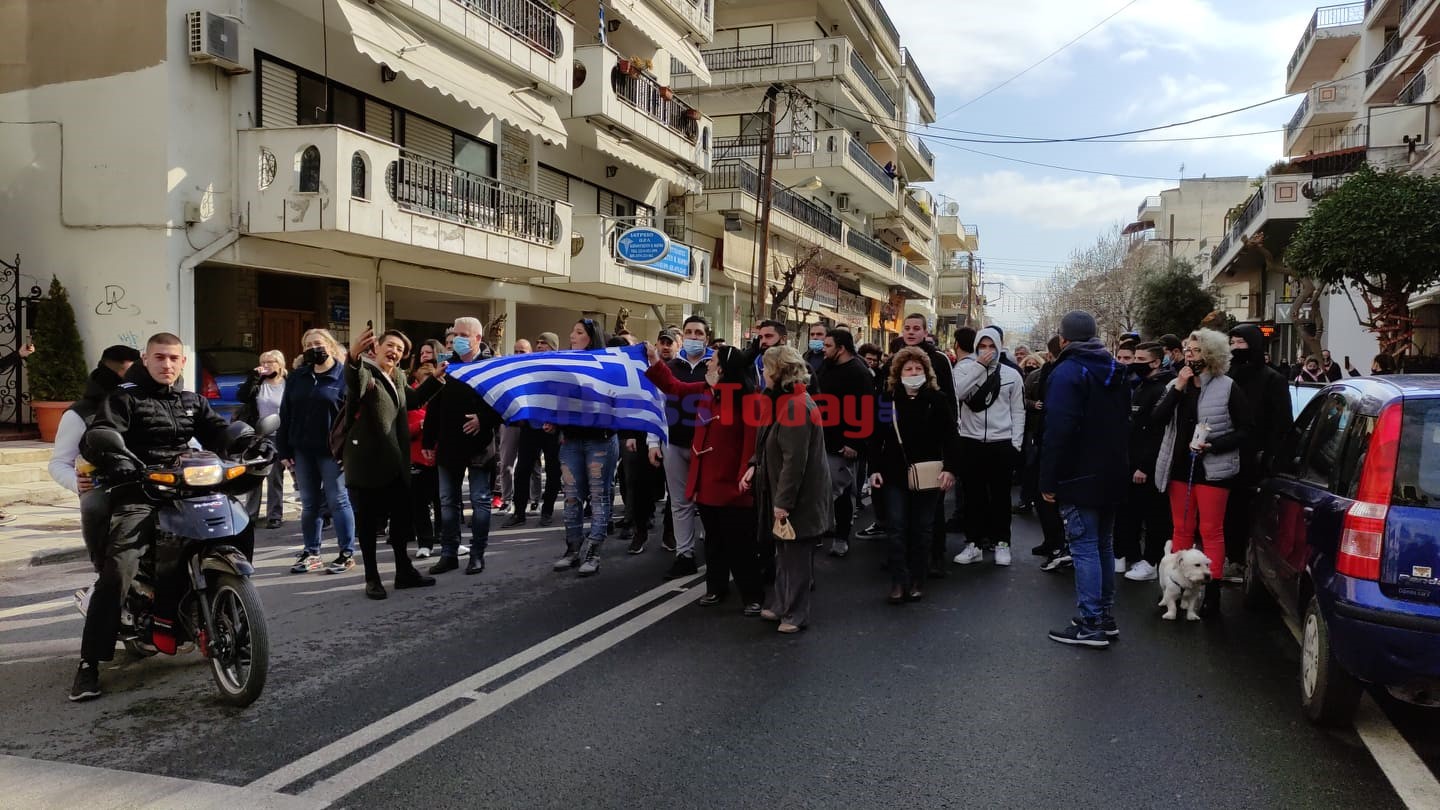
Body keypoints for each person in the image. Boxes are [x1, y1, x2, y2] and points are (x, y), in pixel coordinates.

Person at [71, 333, 246, 701]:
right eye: (160, 357)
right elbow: (99, 434)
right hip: (140, 490)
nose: (167, 364)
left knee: (234, 526)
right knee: (119, 569)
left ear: (183, 362)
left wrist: (247, 442)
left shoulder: (191, 401)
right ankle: (89, 662)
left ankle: (226, 619)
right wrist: (116, 458)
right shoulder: (124, 398)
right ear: (145, 359)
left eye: (173, 358)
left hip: (185, 487)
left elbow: (218, 432)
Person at [646, 344, 765, 613]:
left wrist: (745, 477)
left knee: (741, 544)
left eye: (713, 361)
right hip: (708, 481)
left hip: (734, 484)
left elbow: (751, 444)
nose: (708, 364)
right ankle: (716, 588)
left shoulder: (749, 399)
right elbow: (674, 387)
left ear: (722, 369)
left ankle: (752, 595)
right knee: (714, 542)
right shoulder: (705, 390)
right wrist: (654, 361)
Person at [1040, 311, 1132, 648]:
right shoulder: (1116, 369)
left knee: (1084, 547)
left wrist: (1048, 479)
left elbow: (1058, 429)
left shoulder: (1068, 371)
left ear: (1064, 339)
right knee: (1103, 544)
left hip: (1079, 473)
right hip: (1112, 471)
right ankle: (1104, 616)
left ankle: (1091, 622)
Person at [1152, 329, 1254, 619]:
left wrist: (1214, 446)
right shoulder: (1177, 383)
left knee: (1211, 530)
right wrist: (1178, 387)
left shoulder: (1227, 386)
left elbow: (1246, 429)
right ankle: (1175, 585)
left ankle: (1212, 592)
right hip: (1179, 468)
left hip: (1213, 470)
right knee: (1181, 528)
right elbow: (1157, 418)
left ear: (1211, 355)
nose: (1190, 356)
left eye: (1196, 351)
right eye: (1187, 350)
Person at [341, 327, 437, 599]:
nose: (394, 352)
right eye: (390, 345)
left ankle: (404, 572)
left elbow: (413, 400)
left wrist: (437, 379)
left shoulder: (398, 376)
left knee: (401, 522)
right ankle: (372, 578)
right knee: (368, 525)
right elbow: (355, 381)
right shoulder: (366, 373)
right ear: (377, 348)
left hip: (396, 464)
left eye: (400, 349)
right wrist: (353, 357)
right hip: (368, 465)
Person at [743, 345, 833, 633]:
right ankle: (783, 604)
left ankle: (795, 613)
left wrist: (783, 502)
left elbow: (795, 462)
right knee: (783, 554)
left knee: (796, 559)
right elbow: (768, 443)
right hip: (784, 490)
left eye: (766, 369)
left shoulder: (796, 406)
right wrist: (755, 464)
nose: (762, 374)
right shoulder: (781, 401)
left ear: (778, 372)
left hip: (799, 497)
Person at [869, 347, 960, 603]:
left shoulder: (937, 399)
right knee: (896, 527)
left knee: (922, 529)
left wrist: (950, 469)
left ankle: (918, 579)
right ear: (898, 373)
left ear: (926, 372)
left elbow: (951, 436)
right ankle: (899, 581)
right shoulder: (887, 399)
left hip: (928, 474)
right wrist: (874, 469)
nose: (913, 372)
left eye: (918, 368)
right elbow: (876, 437)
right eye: (908, 369)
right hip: (894, 473)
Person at [418, 317, 502, 576]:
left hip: (479, 446)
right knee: (447, 501)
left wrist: (483, 419)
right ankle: (449, 553)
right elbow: (434, 405)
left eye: (464, 335)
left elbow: (502, 403)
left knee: (480, 500)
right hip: (449, 444)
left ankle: (477, 554)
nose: (458, 339)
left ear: (478, 338)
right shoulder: (447, 366)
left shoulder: (490, 366)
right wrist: (428, 440)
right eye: (455, 334)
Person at [48, 345, 141, 571]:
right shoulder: (79, 414)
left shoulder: (149, 402)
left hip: (152, 478)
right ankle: (103, 568)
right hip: (106, 483)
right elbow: (59, 462)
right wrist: (77, 483)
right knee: (94, 505)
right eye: (131, 372)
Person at [278, 329, 358, 575]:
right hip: (303, 450)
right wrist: (284, 449)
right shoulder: (298, 377)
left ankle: (346, 553)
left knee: (338, 500)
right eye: (308, 344)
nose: (313, 348)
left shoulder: (344, 377)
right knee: (310, 504)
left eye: (318, 343)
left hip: (333, 452)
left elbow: (354, 418)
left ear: (331, 346)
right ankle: (312, 552)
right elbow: (286, 414)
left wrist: (350, 452)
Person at [551, 318, 620, 577]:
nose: (572, 335)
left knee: (599, 497)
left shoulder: (607, 367)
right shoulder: (565, 365)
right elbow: (558, 398)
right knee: (571, 497)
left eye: (578, 332)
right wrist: (553, 421)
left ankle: (593, 552)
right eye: (572, 330)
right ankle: (572, 549)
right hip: (571, 440)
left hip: (600, 440)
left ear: (591, 338)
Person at [952, 326, 1025, 567]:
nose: (987, 351)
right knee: (973, 497)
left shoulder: (1011, 375)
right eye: (982, 346)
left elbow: (1018, 410)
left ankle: (1002, 542)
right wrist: (978, 367)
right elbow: (957, 394)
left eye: (991, 346)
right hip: (970, 441)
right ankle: (973, 543)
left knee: (1001, 497)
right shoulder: (965, 370)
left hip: (1001, 442)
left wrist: (1016, 443)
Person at [1225, 324, 1293, 581]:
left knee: (1250, 512)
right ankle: (1232, 557)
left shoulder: (1272, 379)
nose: (1235, 348)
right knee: (1230, 511)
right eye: (1232, 343)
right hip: (1226, 454)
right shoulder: (1227, 376)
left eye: (1240, 343)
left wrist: (1269, 456)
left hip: (1255, 460)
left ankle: (1246, 561)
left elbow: (1281, 423)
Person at [900, 313, 956, 575]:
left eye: (916, 328)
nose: (911, 332)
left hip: (932, 448)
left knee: (933, 508)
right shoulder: (897, 357)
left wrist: (950, 453)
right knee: (905, 509)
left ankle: (936, 555)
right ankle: (906, 556)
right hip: (904, 449)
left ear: (925, 331)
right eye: (907, 328)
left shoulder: (939, 359)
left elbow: (951, 401)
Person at [660, 315, 715, 579]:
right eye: (689, 332)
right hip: (673, 443)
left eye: (699, 333)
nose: (694, 337)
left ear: (707, 337)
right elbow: (657, 405)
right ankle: (685, 554)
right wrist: (653, 441)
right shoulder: (669, 367)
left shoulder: (715, 367)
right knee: (680, 502)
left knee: (708, 501)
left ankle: (714, 550)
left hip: (707, 446)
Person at [1116, 342, 1173, 582]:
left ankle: (1151, 561)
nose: (1135, 363)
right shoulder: (1140, 386)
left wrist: (1144, 466)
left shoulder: (1161, 390)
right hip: (1131, 459)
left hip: (1147, 465)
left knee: (1152, 516)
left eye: (1141, 359)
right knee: (1130, 512)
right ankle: (1130, 555)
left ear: (1156, 362)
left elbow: (1156, 432)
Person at [815, 327, 873, 558]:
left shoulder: (859, 372)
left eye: (828, 345)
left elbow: (866, 411)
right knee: (820, 490)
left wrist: (854, 443)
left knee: (841, 492)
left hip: (843, 444)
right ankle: (822, 529)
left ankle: (841, 538)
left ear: (841, 348)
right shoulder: (826, 366)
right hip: (823, 439)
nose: (823, 349)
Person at [511, 334, 563, 527]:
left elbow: (563, 398)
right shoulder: (528, 368)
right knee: (522, 470)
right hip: (530, 426)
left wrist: (556, 422)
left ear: (553, 348)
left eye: (544, 344)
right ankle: (519, 513)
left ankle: (547, 510)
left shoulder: (560, 370)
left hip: (551, 430)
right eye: (538, 343)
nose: (540, 346)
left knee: (553, 471)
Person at [236, 350, 288, 529]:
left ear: (279, 364)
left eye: (270, 362)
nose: (265, 366)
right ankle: (250, 514)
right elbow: (242, 397)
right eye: (263, 362)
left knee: (275, 477)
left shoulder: (287, 384)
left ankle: (274, 515)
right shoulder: (258, 383)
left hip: (278, 434)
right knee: (253, 474)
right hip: (257, 434)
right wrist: (253, 378)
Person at [499, 339, 542, 525]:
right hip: (511, 423)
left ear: (530, 352)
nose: (518, 354)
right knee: (507, 464)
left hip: (531, 425)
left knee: (533, 466)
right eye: (515, 351)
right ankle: (508, 501)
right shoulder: (507, 370)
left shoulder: (536, 371)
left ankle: (535, 500)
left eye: (522, 351)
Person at [408, 362, 441, 558]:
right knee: (420, 504)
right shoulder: (411, 402)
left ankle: (446, 540)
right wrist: (421, 425)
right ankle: (425, 543)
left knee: (443, 501)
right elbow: (403, 432)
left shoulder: (441, 399)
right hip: (418, 460)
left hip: (440, 459)